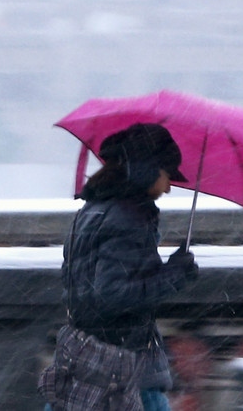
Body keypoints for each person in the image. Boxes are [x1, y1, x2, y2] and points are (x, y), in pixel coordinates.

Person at [42, 122, 199, 411]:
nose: (167, 188)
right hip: (122, 363)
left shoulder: (94, 210)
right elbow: (113, 295)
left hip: (87, 356)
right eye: (166, 175)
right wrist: (175, 274)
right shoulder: (127, 218)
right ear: (146, 171)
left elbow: (90, 288)